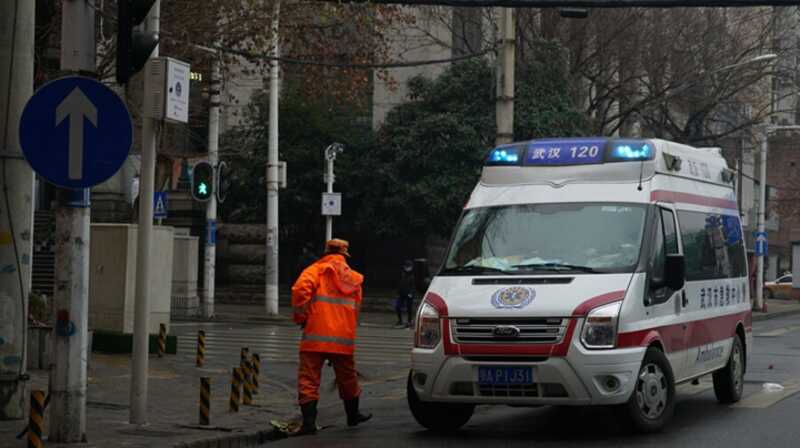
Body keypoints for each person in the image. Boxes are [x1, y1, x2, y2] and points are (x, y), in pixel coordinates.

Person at [291, 239, 372, 436]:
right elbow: (356, 310)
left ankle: (309, 423)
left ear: (326, 251)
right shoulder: (354, 279)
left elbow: (300, 291)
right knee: (347, 378)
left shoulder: (315, 270)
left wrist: (302, 318)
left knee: (309, 379)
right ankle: (353, 415)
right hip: (343, 338)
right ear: (345, 255)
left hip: (316, 336)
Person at [396, 260, 416, 328]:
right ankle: (400, 320)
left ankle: (409, 320)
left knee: (409, 308)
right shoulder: (402, 273)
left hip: (409, 294)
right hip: (402, 293)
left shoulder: (413, 275)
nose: (408, 268)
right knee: (398, 307)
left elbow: (413, 286)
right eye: (407, 266)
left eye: (409, 266)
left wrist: (411, 293)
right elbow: (399, 283)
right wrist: (398, 292)